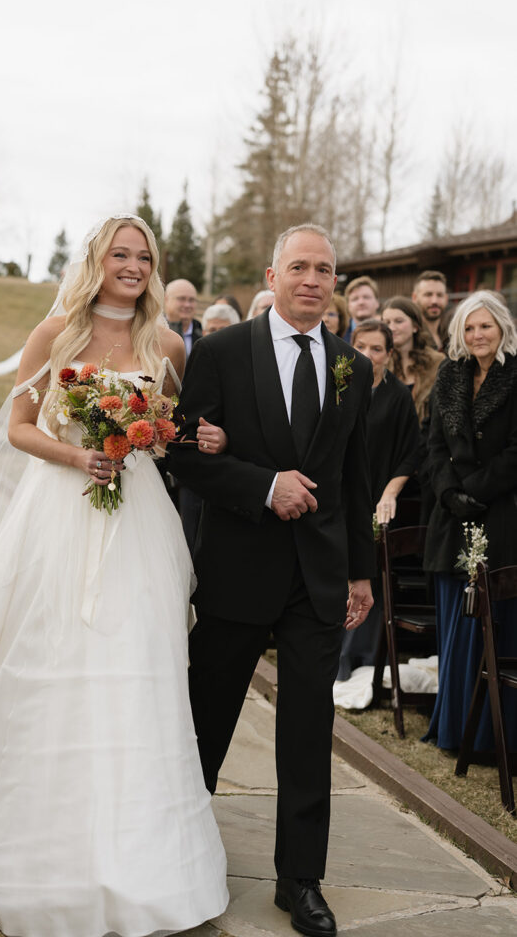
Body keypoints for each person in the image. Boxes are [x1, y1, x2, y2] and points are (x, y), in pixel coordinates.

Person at [0, 214, 228, 937]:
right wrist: (78, 456)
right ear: (95, 259)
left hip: (139, 522)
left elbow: (170, 428)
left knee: (138, 657)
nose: (131, 265)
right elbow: (19, 427)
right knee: (50, 651)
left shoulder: (167, 344)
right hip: (62, 510)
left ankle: (138, 848)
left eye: (142, 256)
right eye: (119, 254)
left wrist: (196, 435)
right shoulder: (54, 334)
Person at [169, 223, 375, 937]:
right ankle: (172, 854)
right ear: (272, 273)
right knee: (206, 720)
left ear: (334, 283)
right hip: (237, 568)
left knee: (307, 731)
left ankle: (300, 880)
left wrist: (357, 571)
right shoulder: (224, 352)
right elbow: (184, 456)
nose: (312, 280)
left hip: (316, 578)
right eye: (299, 267)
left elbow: (353, 476)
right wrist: (264, 487)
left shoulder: (354, 365)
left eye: (324, 269)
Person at [423, 290, 517, 753]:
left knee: (492, 626)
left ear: (503, 328)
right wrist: (448, 493)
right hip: (450, 522)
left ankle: (488, 737)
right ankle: (454, 727)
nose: (478, 334)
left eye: (487, 326)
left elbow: (516, 453)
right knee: (455, 628)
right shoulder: (449, 374)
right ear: (460, 332)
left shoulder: (515, 375)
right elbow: (434, 445)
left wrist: (474, 491)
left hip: (501, 520)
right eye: (470, 327)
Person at [337, 319, 420, 680]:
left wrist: (390, 493)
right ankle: (332, 659)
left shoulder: (399, 395)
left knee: (367, 577)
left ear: (389, 354)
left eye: (376, 349)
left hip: (375, 502)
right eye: (361, 346)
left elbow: (412, 453)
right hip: (336, 498)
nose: (367, 355)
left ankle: (363, 661)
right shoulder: (336, 387)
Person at [382, 296, 445, 424]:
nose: (392, 328)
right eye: (386, 322)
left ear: (415, 326)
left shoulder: (437, 362)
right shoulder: (381, 362)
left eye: (399, 321)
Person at [412, 270, 449, 352]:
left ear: (446, 299)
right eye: (428, 295)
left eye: (440, 295)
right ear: (415, 297)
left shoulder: (451, 335)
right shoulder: (410, 338)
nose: (434, 301)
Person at [164, 277, 201, 357]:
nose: (187, 305)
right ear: (166, 300)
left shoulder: (203, 332)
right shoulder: (153, 330)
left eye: (191, 300)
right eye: (181, 299)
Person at [343, 275, 380, 342]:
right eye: (355, 299)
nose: (361, 302)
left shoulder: (391, 333)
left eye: (366, 297)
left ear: (377, 302)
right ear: (348, 305)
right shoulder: (338, 334)